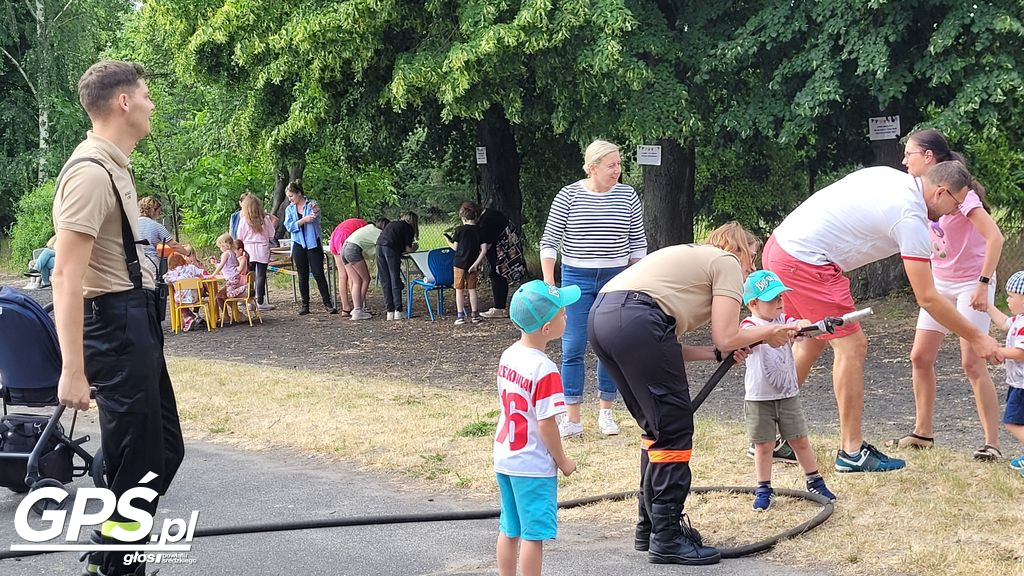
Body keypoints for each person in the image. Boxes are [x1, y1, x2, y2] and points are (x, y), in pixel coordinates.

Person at [762, 162, 1002, 473]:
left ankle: (769, 436)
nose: (949, 213)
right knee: (852, 346)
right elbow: (927, 297)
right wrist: (978, 337)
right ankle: (851, 452)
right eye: (954, 204)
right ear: (940, 191)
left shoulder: (890, 177)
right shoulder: (911, 216)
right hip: (807, 260)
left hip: (780, 248)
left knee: (810, 344)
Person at [588, 222, 796, 565]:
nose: (752, 269)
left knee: (656, 428)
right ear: (738, 249)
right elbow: (726, 337)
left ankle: (650, 526)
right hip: (638, 320)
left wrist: (714, 354)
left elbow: (663, 344)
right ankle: (667, 537)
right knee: (674, 429)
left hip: (604, 316)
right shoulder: (726, 262)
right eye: (752, 258)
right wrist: (770, 331)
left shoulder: (691, 262)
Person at [50, 59, 184, 576]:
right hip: (114, 325)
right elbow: (66, 276)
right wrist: (72, 369)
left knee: (162, 449)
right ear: (123, 102)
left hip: (137, 322)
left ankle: (108, 541)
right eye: (146, 95)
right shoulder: (89, 173)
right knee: (142, 461)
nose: (151, 103)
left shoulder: (115, 166)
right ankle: (117, 566)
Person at [895, 129, 1004, 460]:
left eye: (909, 153)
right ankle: (923, 433)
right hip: (939, 283)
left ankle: (992, 443)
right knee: (920, 357)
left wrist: (983, 285)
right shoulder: (916, 192)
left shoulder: (961, 194)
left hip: (972, 282)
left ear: (928, 157)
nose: (904, 160)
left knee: (972, 362)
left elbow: (995, 238)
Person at [539, 139, 647, 439]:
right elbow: (549, 242)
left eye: (619, 164)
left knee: (608, 347)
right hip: (577, 277)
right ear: (593, 167)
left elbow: (638, 243)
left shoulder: (627, 196)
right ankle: (572, 418)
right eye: (612, 165)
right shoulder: (568, 196)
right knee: (572, 346)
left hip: (616, 278)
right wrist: (550, 282)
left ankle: (606, 412)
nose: (618, 170)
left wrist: (636, 279)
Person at [495, 279, 578, 576]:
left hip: (505, 457)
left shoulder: (509, 355)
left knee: (509, 527)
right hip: (532, 464)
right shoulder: (545, 369)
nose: (566, 316)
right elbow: (547, 424)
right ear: (546, 329)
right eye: (562, 314)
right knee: (533, 535)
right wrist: (563, 460)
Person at [740, 270, 837, 511]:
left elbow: (800, 327)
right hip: (758, 397)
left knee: (800, 440)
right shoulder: (750, 325)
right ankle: (764, 488)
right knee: (764, 445)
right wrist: (774, 333)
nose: (779, 304)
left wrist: (803, 326)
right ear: (753, 303)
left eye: (781, 298)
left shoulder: (784, 322)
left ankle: (814, 481)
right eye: (773, 300)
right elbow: (744, 338)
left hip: (787, 395)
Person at [986, 271, 1024, 476]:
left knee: (1013, 422)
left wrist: (998, 352)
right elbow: (1003, 323)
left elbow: (1020, 352)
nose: (1008, 300)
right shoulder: (1018, 320)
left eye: (1011, 296)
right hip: (1017, 382)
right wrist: (988, 307)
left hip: (1022, 385)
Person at [283, 180, 336, 315]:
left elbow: (316, 217)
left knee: (318, 273)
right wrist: (302, 221)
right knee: (302, 275)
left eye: (292, 196)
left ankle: (327, 303)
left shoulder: (311, 205)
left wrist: (315, 212)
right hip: (298, 244)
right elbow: (289, 226)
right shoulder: (289, 209)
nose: (290, 199)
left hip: (313, 242)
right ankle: (305, 304)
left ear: (299, 193)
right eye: (289, 197)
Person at [236, 194, 277, 311]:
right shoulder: (265, 220)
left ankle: (247, 299)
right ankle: (260, 301)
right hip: (262, 248)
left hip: (248, 249)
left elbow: (239, 237)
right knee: (261, 275)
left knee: (248, 276)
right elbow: (271, 235)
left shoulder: (244, 220)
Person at [449, 201, 487, 325]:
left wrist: (447, 241)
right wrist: (476, 263)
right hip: (473, 264)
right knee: (472, 289)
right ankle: (475, 315)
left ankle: (460, 316)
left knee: (459, 290)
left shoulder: (459, 230)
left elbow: (455, 248)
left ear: (463, 217)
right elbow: (484, 249)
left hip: (459, 263)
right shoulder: (480, 230)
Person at [342, 217, 387, 321]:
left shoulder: (369, 228)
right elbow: (385, 244)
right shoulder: (379, 233)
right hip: (353, 249)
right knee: (365, 279)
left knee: (357, 280)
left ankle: (357, 308)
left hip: (344, 248)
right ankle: (358, 309)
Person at [376, 211, 418, 320]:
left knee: (385, 280)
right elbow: (408, 249)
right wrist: (415, 247)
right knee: (395, 278)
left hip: (379, 247)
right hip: (391, 250)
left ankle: (389, 311)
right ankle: (398, 310)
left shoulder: (393, 224)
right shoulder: (408, 228)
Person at [136, 196, 190, 275]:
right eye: (159, 211)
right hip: (150, 261)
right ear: (153, 210)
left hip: (134, 262)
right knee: (153, 285)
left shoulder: (132, 224)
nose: (160, 213)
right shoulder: (157, 226)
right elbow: (174, 245)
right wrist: (187, 253)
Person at [328, 217, 368, 315]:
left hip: (334, 237)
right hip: (344, 236)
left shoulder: (358, 223)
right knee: (352, 276)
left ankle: (345, 308)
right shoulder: (367, 228)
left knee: (342, 276)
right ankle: (357, 307)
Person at [478, 204, 512, 318]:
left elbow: (486, 246)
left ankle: (499, 308)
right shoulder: (492, 213)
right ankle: (501, 307)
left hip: (500, 251)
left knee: (496, 275)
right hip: (509, 246)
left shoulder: (485, 223)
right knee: (499, 275)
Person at [164, 252, 207, 332]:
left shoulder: (171, 273)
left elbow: (166, 280)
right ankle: (193, 316)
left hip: (181, 299)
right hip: (195, 297)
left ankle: (187, 318)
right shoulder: (191, 267)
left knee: (177, 302)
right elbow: (202, 273)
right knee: (183, 300)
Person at [206, 233, 240, 312]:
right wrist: (215, 264)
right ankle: (233, 314)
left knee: (221, 296)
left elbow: (221, 265)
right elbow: (234, 264)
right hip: (235, 277)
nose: (220, 249)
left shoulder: (225, 254)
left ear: (225, 244)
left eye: (220, 246)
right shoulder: (232, 253)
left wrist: (213, 275)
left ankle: (235, 313)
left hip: (231, 279)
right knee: (220, 296)